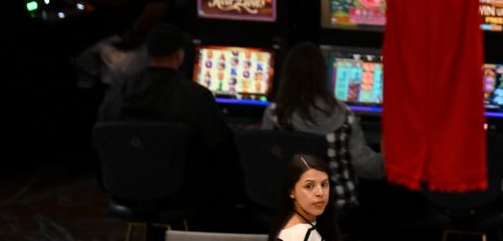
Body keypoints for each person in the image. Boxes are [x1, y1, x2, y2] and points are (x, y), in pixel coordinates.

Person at [96, 23, 239, 197]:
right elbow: (223, 148)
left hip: (124, 187)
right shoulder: (195, 96)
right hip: (181, 192)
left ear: (147, 53)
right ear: (180, 55)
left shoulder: (116, 93)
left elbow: (100, 143)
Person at [262, 42, 383, 211]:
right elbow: (366, 168)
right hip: (336, 205)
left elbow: (267, 166)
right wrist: (391, 155)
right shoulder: (345, 114)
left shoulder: (276, 114)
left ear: (287, 75)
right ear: (323, 74)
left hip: (292, 205)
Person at [269, 154, 341, 241]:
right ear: (291, 191)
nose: (320, 193)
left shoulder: (302, 227)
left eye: (324, 184)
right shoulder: (300, 233)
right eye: (309, 186)